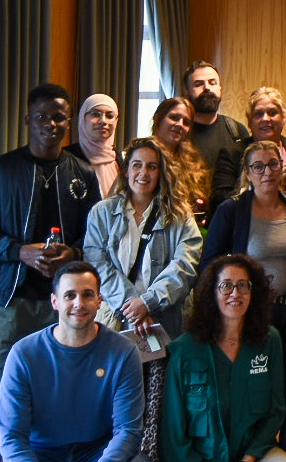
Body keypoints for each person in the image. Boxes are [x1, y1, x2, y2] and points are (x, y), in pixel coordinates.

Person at [0, 83, 101, 462]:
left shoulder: (83, 173)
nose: (51, 125)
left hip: (69, 308)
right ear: (27, 120)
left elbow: (95, 238)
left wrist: (72, 253)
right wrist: (18, 251)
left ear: (69, 121)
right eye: (42, 117)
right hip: (13, 303)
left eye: (59, 117)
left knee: (60, 398)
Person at [0, 261, 153, 462]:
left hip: (97, 451)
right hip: (40, 452)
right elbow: (11, 435)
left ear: (99, 300)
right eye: (69, 295)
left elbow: (128, 430)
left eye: (87, 295)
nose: (79, 303)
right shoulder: (23, 353)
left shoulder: (123, 352)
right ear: (55, 301)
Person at [160, 254, 286, 462]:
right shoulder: (183, 350)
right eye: (226, 285)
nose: (236, 293)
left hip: (253, 459)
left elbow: (275, 411)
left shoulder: (269, 340)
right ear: (211, 292)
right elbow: (172, 432)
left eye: (243, 285)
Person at [208, 139, 286, 454]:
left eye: (273, 164)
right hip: (250, 319)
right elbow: (209, 267)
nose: (267, 171)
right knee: (253, 400)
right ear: (248, 173)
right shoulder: (233, 210)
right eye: (258, 166)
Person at [82, 137, 202, 340]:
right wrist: (134, 307)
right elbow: (97, 264)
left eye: (152, 167)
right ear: (126, 170)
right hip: (115, 318)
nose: (144, 173)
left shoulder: (180, 216)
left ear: (161, 173)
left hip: (163, 322)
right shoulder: (101, 212)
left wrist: (148, 303)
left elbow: (185, 266)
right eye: (137, 165)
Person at [213, 86, 286, 210]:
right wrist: (266, 183)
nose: (265, 119)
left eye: (272, 113)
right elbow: (219, 199)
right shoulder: (232, 154)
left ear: (283, 118)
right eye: (258, 114)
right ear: (249, 121)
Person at [182, 61, 250, 178]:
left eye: (212, 83)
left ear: (220, 88)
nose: (207, 88)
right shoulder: (179, 132)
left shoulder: (237, 131)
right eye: (198, 84)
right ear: (187, 93)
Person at [151, 97, 212, 221]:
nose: (180, 125)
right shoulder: (139, 156)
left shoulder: (193, 163)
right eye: (174, 118)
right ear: (158, 119)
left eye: (186, 122)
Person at [66, 94, 121, 196]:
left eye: (110, 116)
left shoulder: (121, 160)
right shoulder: (66, 158)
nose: (103, 121)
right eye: (95, 114)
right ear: (83, 118)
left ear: (116, 121)